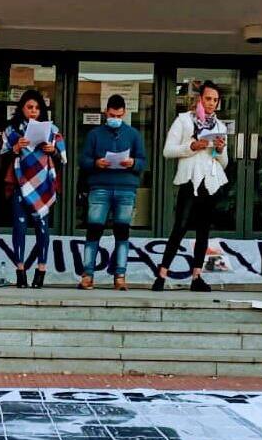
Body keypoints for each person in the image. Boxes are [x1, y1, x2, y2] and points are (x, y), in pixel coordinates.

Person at [153, 80, 229, 292]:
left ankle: (197, 277)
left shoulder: (220, 127)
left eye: (215, 100)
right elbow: (168, 151)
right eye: (208, 99)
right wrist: (192, 146)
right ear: (199, 99)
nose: (211, 103)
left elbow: (224, 163)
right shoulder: (184, 120)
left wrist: (220, 150)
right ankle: (162, 274)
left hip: (210, 182)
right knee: (180, 227)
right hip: (189, 180)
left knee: (203, 231)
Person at [77, 94, 146, 291]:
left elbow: (142, 161)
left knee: (122, 233)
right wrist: (96, 163)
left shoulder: (133, 134)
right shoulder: (95, 134)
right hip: (100, 186)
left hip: (126, 188)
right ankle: (87, 275)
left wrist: (132, 162)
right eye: (111, 114)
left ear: (124, 113)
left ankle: (120, 276)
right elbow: (83, 161)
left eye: (118, 115)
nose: (114, 118)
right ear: (106, 112)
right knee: (94, 231)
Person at [1, 89, 67, 289]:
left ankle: (41, 270)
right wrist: (15, 149)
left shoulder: (52, 130)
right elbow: (1, 158)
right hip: (21, 183)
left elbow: (63, 158)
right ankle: (20, 271)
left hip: (43, 184)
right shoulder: (11, 131)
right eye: (29, 107)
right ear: (21, 108)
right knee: (19, 226)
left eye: (37, 108)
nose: (33, 111)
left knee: (42, 226)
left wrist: (52, 150)